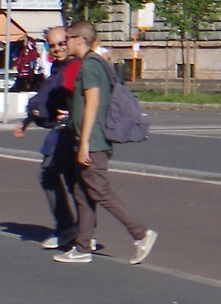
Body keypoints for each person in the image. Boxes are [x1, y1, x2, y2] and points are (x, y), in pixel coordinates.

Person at [52, 21, 157, 267]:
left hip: (94, 141)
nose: (64, 43)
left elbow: (93, 104)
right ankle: (83, 246)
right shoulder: (95, 63)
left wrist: (85, 142)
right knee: (83, 191)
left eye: (67, 38)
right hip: (92, 139)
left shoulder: (89, 66)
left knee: (99, 190)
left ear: (79, 39)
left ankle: (140, 233)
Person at [22, 24, 82, 253]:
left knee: (52, 176)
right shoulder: (60, 66)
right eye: (52, 45)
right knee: (74, 182)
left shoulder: (74, 66)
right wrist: (30, 115)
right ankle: (78, 231)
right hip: (62, 131)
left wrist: (39, 109)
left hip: (68, 132)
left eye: (61, 43)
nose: (56, 49)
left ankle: (72, 230)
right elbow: (45, 96)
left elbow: (52, 98)